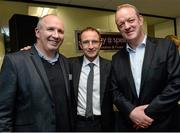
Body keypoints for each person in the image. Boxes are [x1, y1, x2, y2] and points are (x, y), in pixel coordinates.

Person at [111, 4, 180, 131]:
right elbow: (115, 92)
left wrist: (146, 113)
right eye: (121, 24)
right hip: (131, 126)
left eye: (131, 20)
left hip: (164, 124)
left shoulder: (166, 47)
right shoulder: (116, 58)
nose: (127, 26)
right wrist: (131, 112)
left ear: (140, 20)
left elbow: (176, 84)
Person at [0, 14, 73, 131]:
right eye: (50, 29)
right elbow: (3, 114)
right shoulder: (15, 61)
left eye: (60, 31)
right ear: (37, 32)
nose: (56, 35)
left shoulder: (67, 63)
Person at [69, 27, 114, 131]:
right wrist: (32, 52)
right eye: (86, 42)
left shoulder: (110, 67)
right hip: (77, 124)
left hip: (103, 124)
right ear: (80, 45)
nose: (90, 46)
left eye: (94, 42)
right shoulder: (70, 64)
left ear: (100, 44)